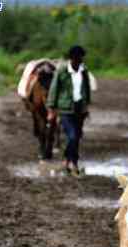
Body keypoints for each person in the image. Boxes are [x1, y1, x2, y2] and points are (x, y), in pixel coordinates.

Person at [46, 45, 91, 177]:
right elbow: (54, 90)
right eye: (77, 59)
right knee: (72, 136)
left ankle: (72, 162)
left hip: (80, 109)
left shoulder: (84, 71)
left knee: (76, 137)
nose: (79, 61)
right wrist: (51, 108)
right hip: (66, 109)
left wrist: (86, 106)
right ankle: (69, 161)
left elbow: (86, 90)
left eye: (81, 58)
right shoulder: (62, 71)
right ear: (71, 59)